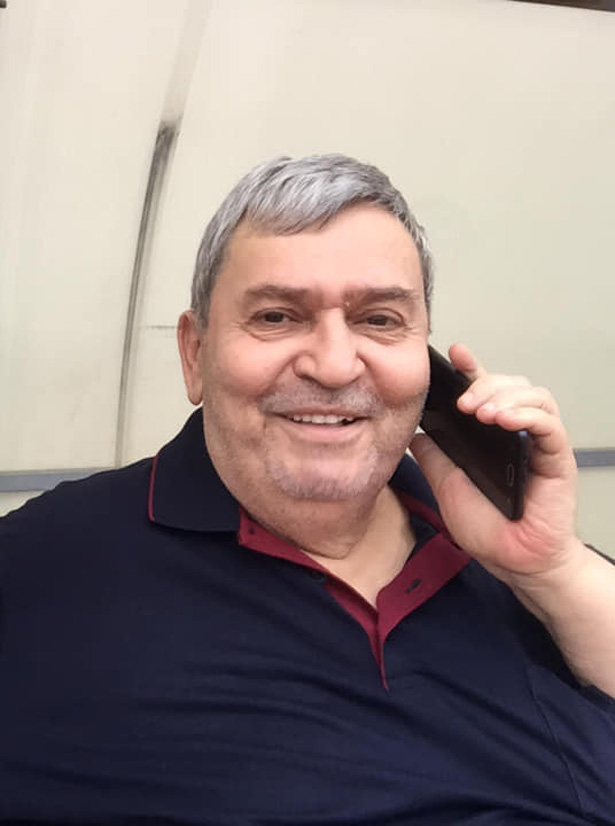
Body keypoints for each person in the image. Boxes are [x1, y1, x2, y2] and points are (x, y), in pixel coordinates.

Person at [0, 154, 613, 825]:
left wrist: (552, 567)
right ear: (195, 354)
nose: (334, 365)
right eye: (276, 317)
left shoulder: (508, 554)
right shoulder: (46, 566)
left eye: (380, 319)